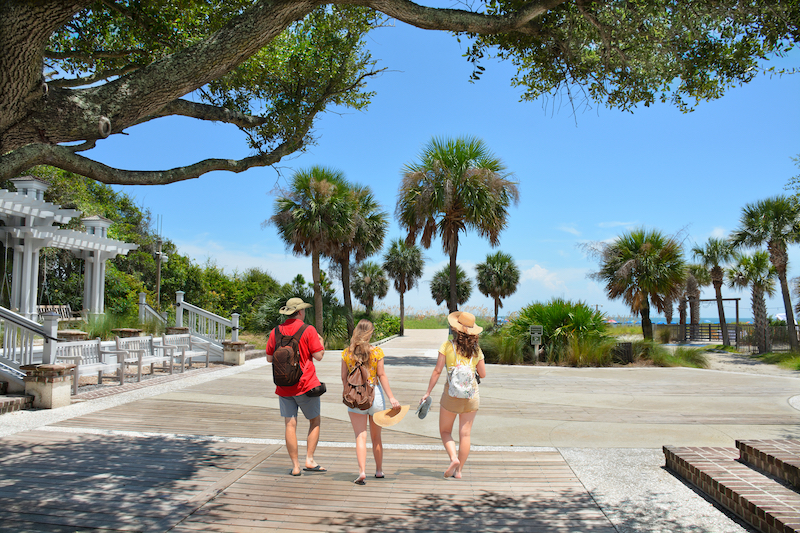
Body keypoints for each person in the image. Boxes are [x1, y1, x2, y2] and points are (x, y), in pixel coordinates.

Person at [419, 311, 487, 479]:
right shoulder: (476, 350)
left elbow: (437, 371)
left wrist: (427, 392)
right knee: (465, 434)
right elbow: (483, 374)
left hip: (451, 395)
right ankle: (459, 471)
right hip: (471, 396)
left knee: (445, 431)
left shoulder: (447, 346)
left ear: (456, 329)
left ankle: (453, 458)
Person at [266, 297, 326, 476]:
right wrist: (321, 343)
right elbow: (319, 355)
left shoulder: (275, 331)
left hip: (284, 386)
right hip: (305, 385)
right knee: (314, 421)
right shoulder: (308, 330)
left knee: (290, 425)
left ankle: (295, 466)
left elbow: (269, 358)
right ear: (300, 312)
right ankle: (309, 459)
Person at [341, 319, 401, 485]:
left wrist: (350, 393)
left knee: (360, 436)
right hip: (375, 396)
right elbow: (382, 375)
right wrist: (391, 397)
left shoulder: (347, 353)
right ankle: (379, 470)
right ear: (370, 333)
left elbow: (344, 378)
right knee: (376, 437)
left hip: (356, 398)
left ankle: (361, 471)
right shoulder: (377, 352)